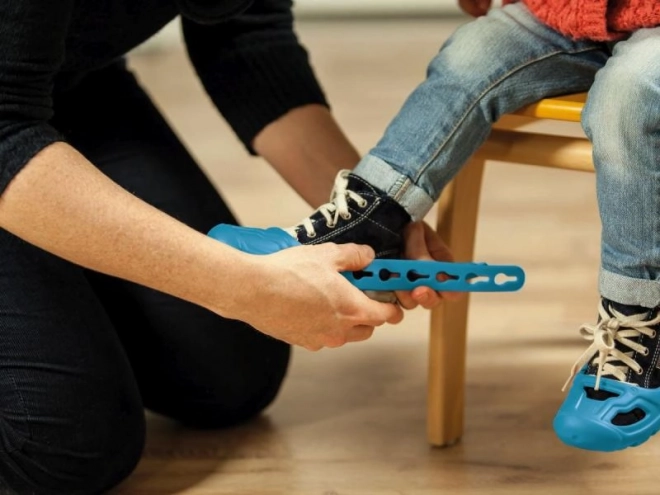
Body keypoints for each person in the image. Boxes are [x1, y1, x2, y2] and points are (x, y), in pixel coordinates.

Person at [0, 1, 460, 493]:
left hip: (67, 84)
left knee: (233, 375)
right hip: (8, 116)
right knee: (58, 443)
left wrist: (372, 216)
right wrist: (242, 286)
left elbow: (245, 37)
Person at [226, 0, 660, 453]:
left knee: (628, 99)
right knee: (468, 56)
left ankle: (641, 319)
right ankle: (370, 222)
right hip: (566, 11)